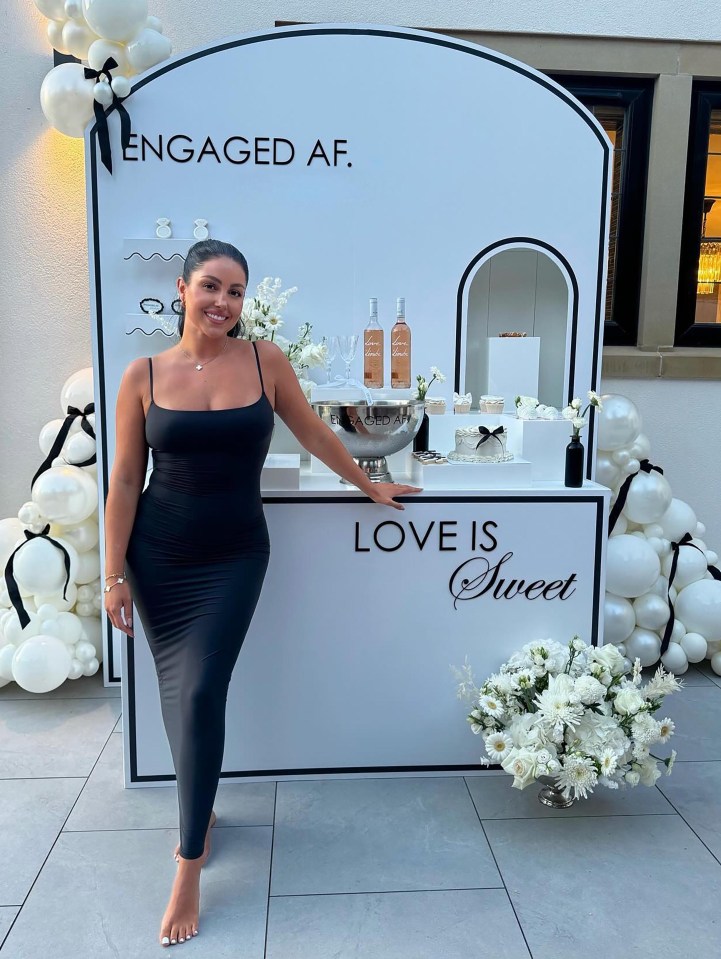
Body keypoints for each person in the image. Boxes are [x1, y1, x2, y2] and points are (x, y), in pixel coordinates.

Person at [103, 239, 422, 948]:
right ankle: (200, 812)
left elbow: (311, 432)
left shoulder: (263, 361)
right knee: (173, 690)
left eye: (236, 291)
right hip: (158, 554)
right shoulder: (141, 375)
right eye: (211, 286)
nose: (223, 301)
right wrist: (113, 572)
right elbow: (124, 480)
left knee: (198, 692)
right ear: (181, 288)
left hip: (234, 555)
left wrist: (368, 482)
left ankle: (187, 865)